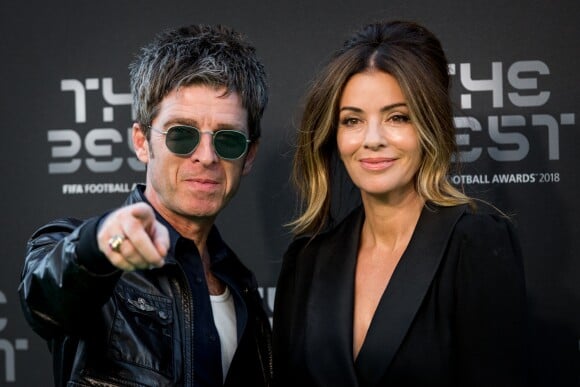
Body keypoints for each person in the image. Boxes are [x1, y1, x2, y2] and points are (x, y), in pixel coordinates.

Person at [272, 20, 528, 386]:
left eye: (397, 117)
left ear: (430, 127)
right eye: (352, 120)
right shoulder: (307, 260)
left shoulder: (476, 246)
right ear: (334, 134)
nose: (372, 139)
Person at [19, 24, 272, 387]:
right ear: (142, 142)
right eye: (181, 134)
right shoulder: (87, 254)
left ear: (248, 157)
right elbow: (44, 302)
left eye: (228, 140)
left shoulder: (240, 285)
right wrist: (102, 247)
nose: (206, 156)